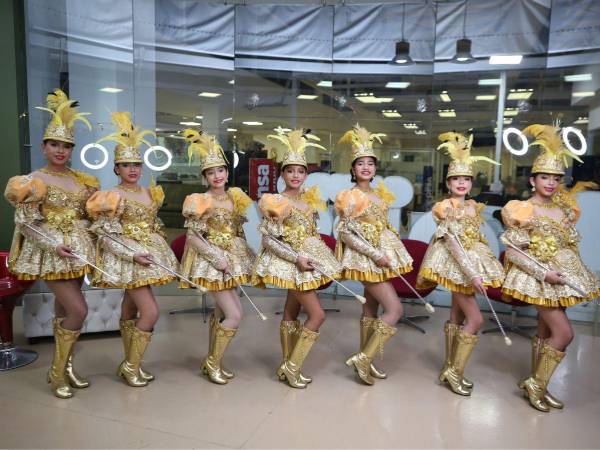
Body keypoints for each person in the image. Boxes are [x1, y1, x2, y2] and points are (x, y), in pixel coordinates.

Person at [4, 89, 98, 399]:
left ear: (72, 150)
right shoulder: (32, 180)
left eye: (66, 146)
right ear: (44, 147)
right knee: (78, 310)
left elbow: (88, 215)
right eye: (54, 144)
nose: (60, 150)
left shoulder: (81, 180)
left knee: (63, 312)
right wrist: (55, 243)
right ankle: (56, 371)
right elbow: (27, 223)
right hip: (53, 253)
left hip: (79, 250)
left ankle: (67, 366)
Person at [500, 124, 600, 411]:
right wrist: (544, 273)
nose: (551, 183)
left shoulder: (565, 210)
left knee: (545, 333)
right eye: (545, 177)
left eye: (556, 178)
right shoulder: (522, 209)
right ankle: (536, 384)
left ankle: (538, 384)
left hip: (565, 277)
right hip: (541, 278)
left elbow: (568, 246)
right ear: (533, 180)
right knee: (564, 334)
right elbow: (514, 252)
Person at [86, 112, 179, 387]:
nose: (132, 169)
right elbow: (104, 233)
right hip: (129, 258)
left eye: (136, 164)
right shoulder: (110, 196)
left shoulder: (150, 193)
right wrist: (132, 253)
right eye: (126, 165)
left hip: (149, 255)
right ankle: (131, 365)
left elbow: (153, 222)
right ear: (116, 168)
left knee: (129, 310)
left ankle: (129, 363)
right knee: (150, 312)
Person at [252, 127, 341, 388]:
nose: (295, 176)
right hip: (292, 263)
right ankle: (292, 367)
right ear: (282, 174)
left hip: (307, 263)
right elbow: (269, 240)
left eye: (300, 171)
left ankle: (286, 365)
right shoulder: (275, 201)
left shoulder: (309, 200)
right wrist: (296, 258)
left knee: (291, 312)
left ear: (306, 174)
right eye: (290, 171)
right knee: (318, 315)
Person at [417, 131, 504, 396]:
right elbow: (453, 242)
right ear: (448, 182)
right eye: (456, 178)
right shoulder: (445, 208)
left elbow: (474, 239)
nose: (462, 183)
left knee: (456, 316)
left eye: (466, 178)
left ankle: (449, 367)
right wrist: (473, 274)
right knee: (475, 319)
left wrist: (483, 265)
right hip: (457, 267)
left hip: (471, 263)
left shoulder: (473, 207)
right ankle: (455, 372)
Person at [334, 124, 413, 385]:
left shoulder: (379, 195)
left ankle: (366, 361)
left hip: (380, 259)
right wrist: (376, 253)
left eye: (370, 163)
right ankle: (364, 358)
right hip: (366, 259)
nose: (366, 167)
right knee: (395, 310)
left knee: (371, 308)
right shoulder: (349, 196)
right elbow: (345, 233)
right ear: (353, 169)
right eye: (360, 163)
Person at [179, 129, 255, 384]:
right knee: (235, 314)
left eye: (220, 170)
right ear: (204, 176)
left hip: (231, 260)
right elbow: (193, 237)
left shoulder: (235, 197)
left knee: (221, 314)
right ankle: (212, 363)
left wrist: (244, 256)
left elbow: (237, 231)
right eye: (211, 172)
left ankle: (213, 361)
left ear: (226, 171)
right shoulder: (200, 200)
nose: (217, 176)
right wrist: (216, 258)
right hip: (213, 263)